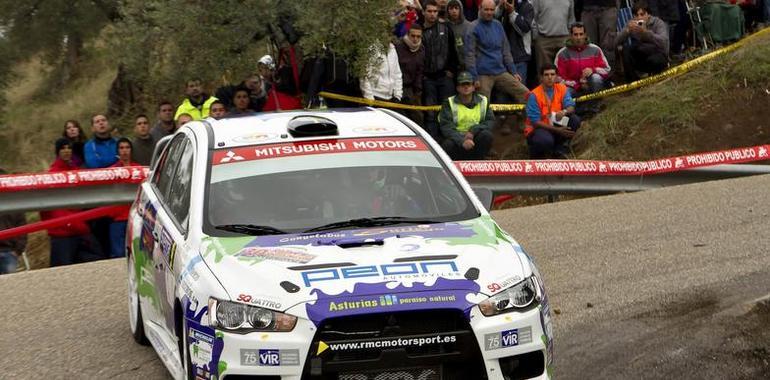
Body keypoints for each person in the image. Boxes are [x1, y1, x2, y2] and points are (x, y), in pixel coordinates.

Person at [41, 143, 103, 266]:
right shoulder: (51, 175)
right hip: (61, 231)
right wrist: (53, 226)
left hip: (80, 227)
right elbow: (44, 208)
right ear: (57, 152)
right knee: (62, 271)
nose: (66, 150)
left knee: (97, 263)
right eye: (63, 148)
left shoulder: (77, 173)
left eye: (69, 148)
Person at [465, 0, 529, 103]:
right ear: (479, 9)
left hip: (500, 71)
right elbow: (469, 56)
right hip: (483, 74)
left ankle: (527, 118)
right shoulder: (473, 27)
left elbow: (506, 51)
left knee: (526, 94)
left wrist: (513, 71)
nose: (489, 12)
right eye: (486, 9)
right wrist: (474, 77)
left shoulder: (498, 25)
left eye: (492, 10)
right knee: (482, 104)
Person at [524, 64, 581, 159]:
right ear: (541, 77)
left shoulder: (562, 88)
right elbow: (535, 122)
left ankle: (559, 149)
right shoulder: (534, 94)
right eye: (546, 75)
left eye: (552, 74)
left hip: (554, 121)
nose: (550, 77)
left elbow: (571, 106)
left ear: (556, 76)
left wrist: (564, 112)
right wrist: (557, 130)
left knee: (574, 120)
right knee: (545, 141)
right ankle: (537, 155)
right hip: (538, 128)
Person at [422, 0, 460, 139]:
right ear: (424, 12)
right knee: (430, 113)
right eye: (430, 11)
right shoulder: (419, 30)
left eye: (435, 11)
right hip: (427, 78)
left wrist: (451, 71)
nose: (432, 14)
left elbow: (453, 52)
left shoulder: (446, 28)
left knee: (447, 112)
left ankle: (448, 142)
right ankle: (433, 141)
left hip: (445, 76)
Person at [438, 71, 495, 160]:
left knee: (486, 135)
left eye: (468, 84)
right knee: (447, 145)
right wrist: (462, 141)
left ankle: (479, 161)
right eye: (462, 84)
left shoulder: (483, 100)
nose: (466, 87)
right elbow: (446, 126)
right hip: (457, 138)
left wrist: (473, 131)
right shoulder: (449, 102)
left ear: (473, 87)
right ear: (457, 88)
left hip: (474, 136)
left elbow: (490, 121)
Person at [615, 1, 669, 82]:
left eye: (642, 14)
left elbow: (664, 43)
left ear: (648, 14)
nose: (639, 17)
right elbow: (615, 42)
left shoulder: (658, 22)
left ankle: (656, 73)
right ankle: (632, 81)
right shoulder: (632, 23)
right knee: (626, 49)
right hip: (641, 56)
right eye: (636, 15)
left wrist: (645, 32)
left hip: (657, 54)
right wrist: (627, 31)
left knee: (656, 59)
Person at [555, 22, 611, 95]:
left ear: (585, 35)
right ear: (571, 36)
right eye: (575, 34)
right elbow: (558, 78)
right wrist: (577, 85)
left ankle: (596, 102)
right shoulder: (562, 54)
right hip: (572, 86)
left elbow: (607, 70)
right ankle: (576, 105)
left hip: (591, 84)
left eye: (581, 34)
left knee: (596, 78)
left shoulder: (595, 49)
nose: (578, 37)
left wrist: (593, 70)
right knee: (563, 91)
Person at [108, 138, 140, 259]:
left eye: (127, 147)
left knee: (136, 254)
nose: (125, 151)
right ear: (117, 151)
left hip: (134, 217)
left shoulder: (139, 169)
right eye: (121, 148)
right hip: (117, 219)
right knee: (118, 255)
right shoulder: (111, 171)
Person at [497, 0, 535, 82]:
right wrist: (499, 8)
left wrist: (512, 13)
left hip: (520, 56)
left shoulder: (527, 6)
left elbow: (524, 28)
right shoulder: (501, 4)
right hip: (501, 56)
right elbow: (490, 20)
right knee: (502, 91)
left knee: (519, 88)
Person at [532, 0, 575, 71]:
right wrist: (536, 38)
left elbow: (571, 19)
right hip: (544, 40)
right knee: (544, 73)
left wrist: (570, 38)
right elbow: (533, 18)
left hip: (564, 39)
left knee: (565, 71)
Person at [395, 24, 425, 125]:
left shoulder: (421, 49)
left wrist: (418, 91)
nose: (415, 39)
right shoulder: (398, 46)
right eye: (413, 36)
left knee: (417, 118)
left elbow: (420, 71)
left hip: (411, 89)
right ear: (408, 35)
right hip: (396, 87)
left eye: (418, 36)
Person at [0, 168, 26, 275]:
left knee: (10, 286)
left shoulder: (14, 204)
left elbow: (23, 229)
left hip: (9, 252)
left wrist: (17, 251)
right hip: (9, 251)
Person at [580, 0, 618, 67]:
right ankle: (591, 74)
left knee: (608, 44)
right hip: (587, 8)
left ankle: (608, 74)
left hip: (608, 7)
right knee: (588, 45)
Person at [447, 0, 472, 71]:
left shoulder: (469, 26)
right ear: (447, 10)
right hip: (451, 66)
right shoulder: (445, 26)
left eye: (456, 8)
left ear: (460, 9)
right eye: (451, 8)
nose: (454, 11)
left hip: (467, 64)